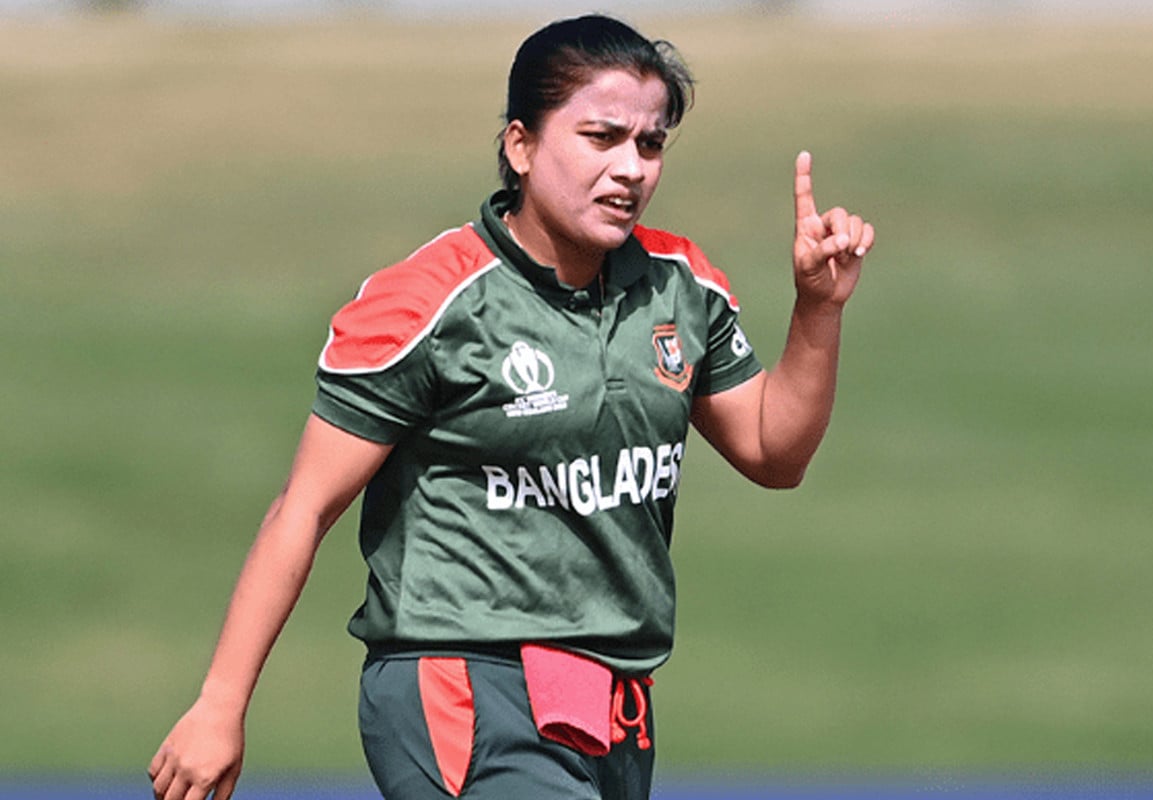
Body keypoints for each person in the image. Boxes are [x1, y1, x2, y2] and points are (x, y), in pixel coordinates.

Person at [148, 13, 874, 800]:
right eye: (601, 138)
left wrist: (818, 307)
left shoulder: (681, 284)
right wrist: (220, 705)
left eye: (650, 144)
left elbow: (774, 453)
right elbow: (303, 508)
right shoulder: (429, 302)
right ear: (521, 146)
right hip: (463, 684)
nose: (630, 168)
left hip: (614, 703)